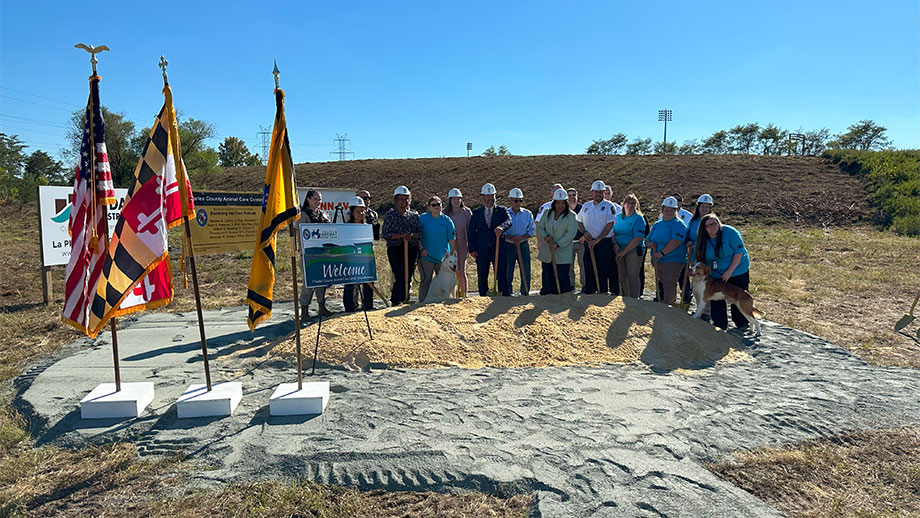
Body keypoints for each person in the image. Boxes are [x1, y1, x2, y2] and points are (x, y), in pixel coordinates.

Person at [694, 213, 752, 331]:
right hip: (716, 274)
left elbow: (739, 252)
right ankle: (719, 325)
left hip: (737, 270)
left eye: (714, 223)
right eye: (708, 225)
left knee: (737, 297)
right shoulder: (702, 239)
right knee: (716, 299)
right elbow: (697, 257)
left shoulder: (730, 232)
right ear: (704, 229)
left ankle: (741, 324)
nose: (712, 226)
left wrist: (730, 271)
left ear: (718, 222)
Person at [467, 183, 510, 296]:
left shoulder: (502, 210)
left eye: (491, 196)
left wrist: (502, 227)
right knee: (482, 274)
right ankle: (483, 295)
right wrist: (472, 249)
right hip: (482, 249)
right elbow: (471, 231)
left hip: (498, 247)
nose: (489, 199)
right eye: (487, 196)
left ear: (495, 196)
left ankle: (503, 293)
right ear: (483, 197)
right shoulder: (476, 212)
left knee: (501, 273)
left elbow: (509, 221)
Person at [381, 185, 421, 305]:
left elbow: (420, 233)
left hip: (411, 249)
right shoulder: (390, 215)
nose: (404, 202)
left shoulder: (414, 216)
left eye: (406, 199)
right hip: (395, 249)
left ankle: (405, 298)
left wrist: (411, 235)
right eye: (401, 199)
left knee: (408, 275)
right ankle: (396, 300)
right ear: (395, 200)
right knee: (399, 275)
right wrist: (401, 236)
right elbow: (385, 234)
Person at [646, 196, 688, 305]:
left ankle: (668, 305)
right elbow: (648, 239)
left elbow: (676, 242)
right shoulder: (657, 224)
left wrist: (662, 253)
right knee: (662, 283)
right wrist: (649, 244)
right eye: (667, 209)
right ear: (662, 209)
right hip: (657, 260)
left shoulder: (678, 224)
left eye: (672, 210)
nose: (669, 212)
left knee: (669, 283)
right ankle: (663, 304)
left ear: (675, 211)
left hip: (673, 260)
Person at [577, 180, 617, 294]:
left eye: (600, 192)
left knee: (603, 268)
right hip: (588, 242)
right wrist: (584, 232)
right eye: (596, 192)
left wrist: (598, 239)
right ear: (592, 192)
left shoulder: (609, 206)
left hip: (603, 242)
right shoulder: (586, 206)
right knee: (588, 266)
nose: (598, 194)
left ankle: (602, 290)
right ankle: (590, 289)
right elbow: (579, 222)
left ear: (604, 192)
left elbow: (610, 224)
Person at [299, 189, 333, 317]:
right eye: (315, 199)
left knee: (322, 282)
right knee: (309, 283)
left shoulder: (323, 214)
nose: (318, 202)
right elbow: (299, 234)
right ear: (308, 199)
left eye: (319, 200)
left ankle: (321, 307)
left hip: (322, 253)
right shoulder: (303, 215)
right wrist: (302, 254)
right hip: (308, 254)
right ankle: (304, 311)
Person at [537, 189, 578, 294]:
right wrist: (545, 237)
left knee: (562, 277)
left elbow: (570, 233)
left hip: (562, 252)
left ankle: (561, 297)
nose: (560, 205)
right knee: (547, 275)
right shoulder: (546, 213)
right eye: (558, 203)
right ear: (554, 203)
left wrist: (558, 244)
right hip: (547, 251)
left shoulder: (571, 216)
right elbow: (540, 228)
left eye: (562, 203)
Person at [417, 196, 457, 302]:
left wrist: (451, 257)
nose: (436, 207)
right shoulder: (423, 218)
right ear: (429, 207)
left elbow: (452, 240)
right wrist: (421, 250)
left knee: (445, 283)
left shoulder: (447, 221)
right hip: (426, 256)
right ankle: (422, 302)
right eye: (433, 205)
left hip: (443, 259)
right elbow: (417, 236)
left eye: (438, 204)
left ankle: (443, 303)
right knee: (426, 281)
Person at [501, 188, 536, 296]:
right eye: (515, 201)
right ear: (510, 200)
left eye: (520, 200)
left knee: (525, 270)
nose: (518, 203)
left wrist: (521, 238)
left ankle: (525, 291)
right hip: (509, 245)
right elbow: (501, 230)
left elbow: (532, 230)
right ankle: (508, 293)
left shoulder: (527, 214)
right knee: (508, 270)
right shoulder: (504, 213)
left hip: (523, 245)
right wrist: (511, 237)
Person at [343, 196, 374, 313]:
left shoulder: (366, 227)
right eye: (357, 211)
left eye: (362, 211)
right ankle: (349, 308)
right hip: (350, 260)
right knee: (350, 284)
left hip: (365, 259)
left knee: (368, 283)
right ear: (351, 212)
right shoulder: (345, 227)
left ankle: (368, 306)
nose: (360, 213)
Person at [613, 194, 646, 298]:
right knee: (623, 275)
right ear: (623, 204)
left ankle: (634, 297)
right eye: (628, 202)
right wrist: (615, 245)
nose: (630, 205)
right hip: (619, 249)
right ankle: (625, 296)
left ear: (636, 205)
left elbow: (637, 238)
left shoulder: (639, 219)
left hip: (634, 250)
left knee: (633, 275)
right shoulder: (617, 218)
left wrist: (624, 252)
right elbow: (612, 233)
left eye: (633, 203)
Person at [683, 193, 714, 306]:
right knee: (696, 283)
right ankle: (698, 307)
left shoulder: (712, 222)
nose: (704, 209)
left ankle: (706, 310)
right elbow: (687, 234)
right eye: (702, 206)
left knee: (706, 284)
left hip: (707, 257)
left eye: (707, 206)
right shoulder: (693, 221)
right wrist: (688, 242)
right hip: (694, 256)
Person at [445, 188, 473, 297]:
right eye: (454, 199)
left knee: (461, 271)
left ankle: (463, 294)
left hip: (462, 246)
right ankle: (452, 293)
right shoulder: (446, 214)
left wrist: (470, 246)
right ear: (450, 200)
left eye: (458, 199)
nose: (456, 201)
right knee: (452, 270)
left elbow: (471, 229)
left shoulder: (466, 213)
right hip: (450, 246)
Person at [566, 188, 585, 289]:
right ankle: (571, 285)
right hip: (569, 242)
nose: (572, 197)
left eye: (574, 195)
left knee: (583, 265)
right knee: (569, 266)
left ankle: (584, 285)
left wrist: (584, 236)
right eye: (569, 196)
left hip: (581, 241)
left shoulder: (583, 208)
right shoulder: (564, 210)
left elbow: (587, 224)